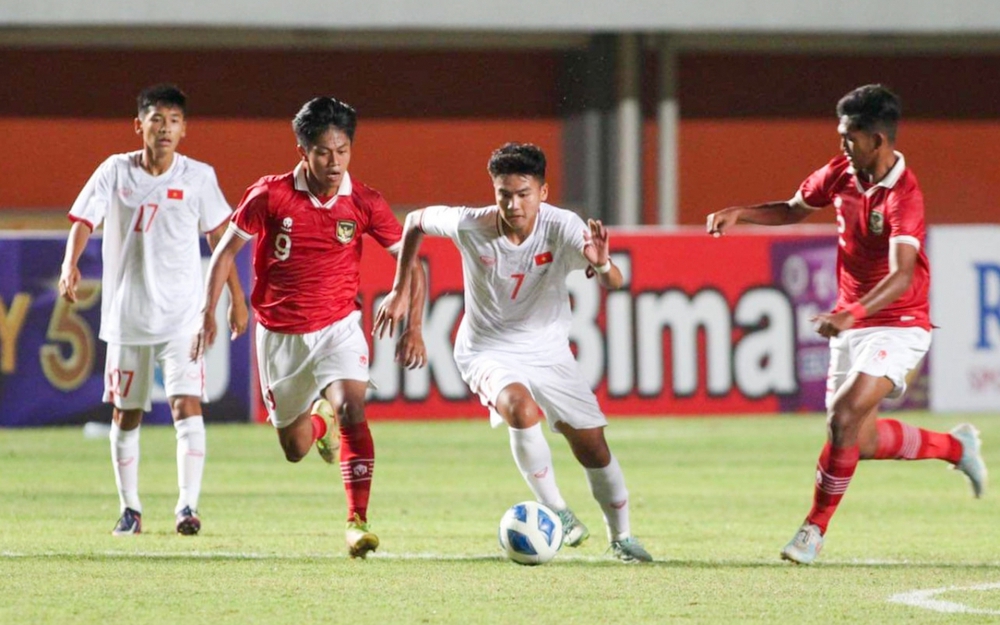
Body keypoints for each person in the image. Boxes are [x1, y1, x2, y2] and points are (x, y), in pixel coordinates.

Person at [706, 84, 987, 564]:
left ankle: (812, 531)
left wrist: (851, 313)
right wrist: (743, 213)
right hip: (852, 321)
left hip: (898, 322)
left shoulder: (905, 195)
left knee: (844, 413)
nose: (842, 145)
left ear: (878, 139)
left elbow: (901, 277)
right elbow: (795, 209)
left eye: (849, 137)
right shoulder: (841, 172)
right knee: (859, 437)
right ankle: (954, 446)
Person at [375, 142, 653, 563]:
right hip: (486, 348)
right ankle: (558, 511)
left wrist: (602, 263)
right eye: (504, 193)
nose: (513, 203)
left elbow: (615, 282)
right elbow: (413, 221)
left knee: (592, 445)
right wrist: (400, 293)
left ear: (543, 191)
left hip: (548, 349)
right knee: (520, 409)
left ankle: (623, 537)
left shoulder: (562, 226)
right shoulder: (471, 224)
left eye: (523, 193)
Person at [194, 96, 427, 559]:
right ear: (303, 151)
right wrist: (213, 311)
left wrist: (412, 322)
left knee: (353, 410)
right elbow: (225, 251)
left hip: (338, 327)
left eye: (343, 151)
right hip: (280, 335)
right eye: (324, 151)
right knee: (295, 447)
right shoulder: (269, 195)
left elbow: (410, 262)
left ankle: (357, 522)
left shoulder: (364, 201)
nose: (335, 161)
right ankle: (319, 425)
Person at [59, 83, 248, 537]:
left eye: (174, 121)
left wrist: (236, 299)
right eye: (156, 119)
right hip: (127, 317)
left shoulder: (198, 177)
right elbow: (83, 220)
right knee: (127, 414)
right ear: (138, 124)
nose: (165, 128)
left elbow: (220, 241)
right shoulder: (115, 171)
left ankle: (187, 508)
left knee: (188, 407)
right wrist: (70, 265)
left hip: (183, 317)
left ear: (184, 129)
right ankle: (131, 509)